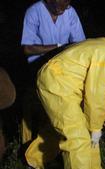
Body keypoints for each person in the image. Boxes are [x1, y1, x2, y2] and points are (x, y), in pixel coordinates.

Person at [24, 34, 105, 169]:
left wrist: (94, 127)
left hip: (64, 82)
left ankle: (34, 160)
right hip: (58, 83)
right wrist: (95, 127)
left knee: (69, 127)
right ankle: (36, 161)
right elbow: (95, 93)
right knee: (77, 137)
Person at [20, 0, 86, 145]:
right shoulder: (34, 12)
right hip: (38, 65)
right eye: (58, 7)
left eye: (66, 4)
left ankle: (54, 144)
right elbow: (27, 49)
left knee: (60, 106)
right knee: (35, 105)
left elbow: (80, 44)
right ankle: (28, 144)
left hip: (62, 64)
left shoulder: (70, 12)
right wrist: (57, 47)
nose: (62, 10)